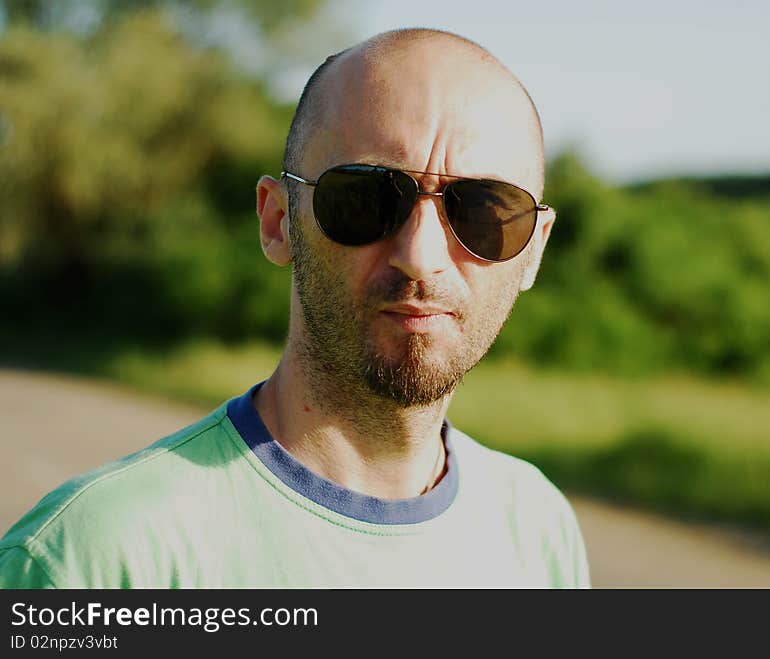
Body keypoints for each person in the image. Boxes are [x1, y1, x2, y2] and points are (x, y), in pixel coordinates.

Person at [0, 28, 589, 588]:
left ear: (534, 250)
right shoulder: (91, 560)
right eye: (364, 199)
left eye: (484, 211)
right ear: (278, 221)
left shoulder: (537, 527)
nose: (420, 255)